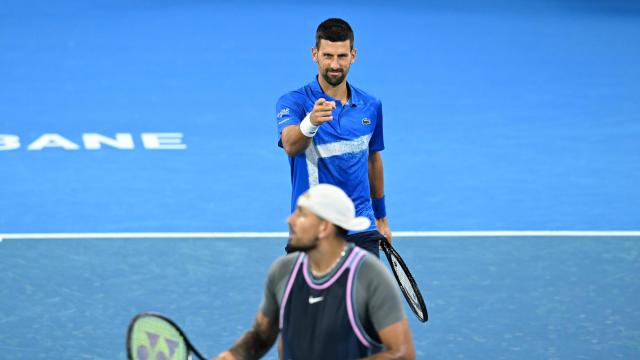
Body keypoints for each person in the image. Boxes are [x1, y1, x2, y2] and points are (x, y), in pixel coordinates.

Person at [214, 184, 415, 360]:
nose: (290, 220)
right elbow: (261, 336)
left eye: (301, 214)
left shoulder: (369, 276)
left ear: (324, 227)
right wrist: (234, 355)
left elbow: (402, 354)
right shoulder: (283, 271)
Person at [276, 18, 391, 256]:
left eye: (341, 56)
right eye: (327, 56)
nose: (335, 64)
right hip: (311, 230)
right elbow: (290, 144)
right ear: (314, 54)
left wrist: (381, 217)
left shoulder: (370, 105)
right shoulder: (294, 102)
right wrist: (311, 122)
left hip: (360, 227)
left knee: (364, 295)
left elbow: (373, 160)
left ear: (353, 55)